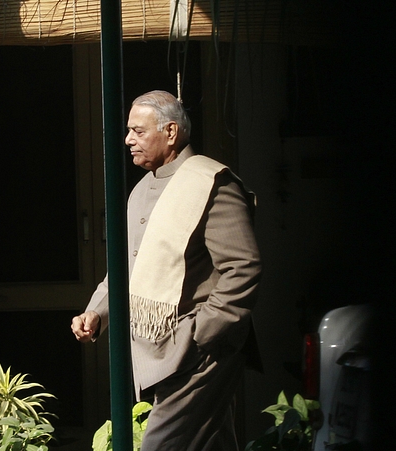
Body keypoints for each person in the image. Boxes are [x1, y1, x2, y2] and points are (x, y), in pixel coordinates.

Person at [71, 90, 262, 450]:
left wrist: (202, 332)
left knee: (160, 444)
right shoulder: (142, 188)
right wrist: (97, 311)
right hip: (161, 349)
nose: (128, 140)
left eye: (138, 131)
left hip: (197, 351)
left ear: (171, 132)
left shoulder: (211, 182)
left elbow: (243, 266)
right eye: (129, 131)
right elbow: (128, 267)